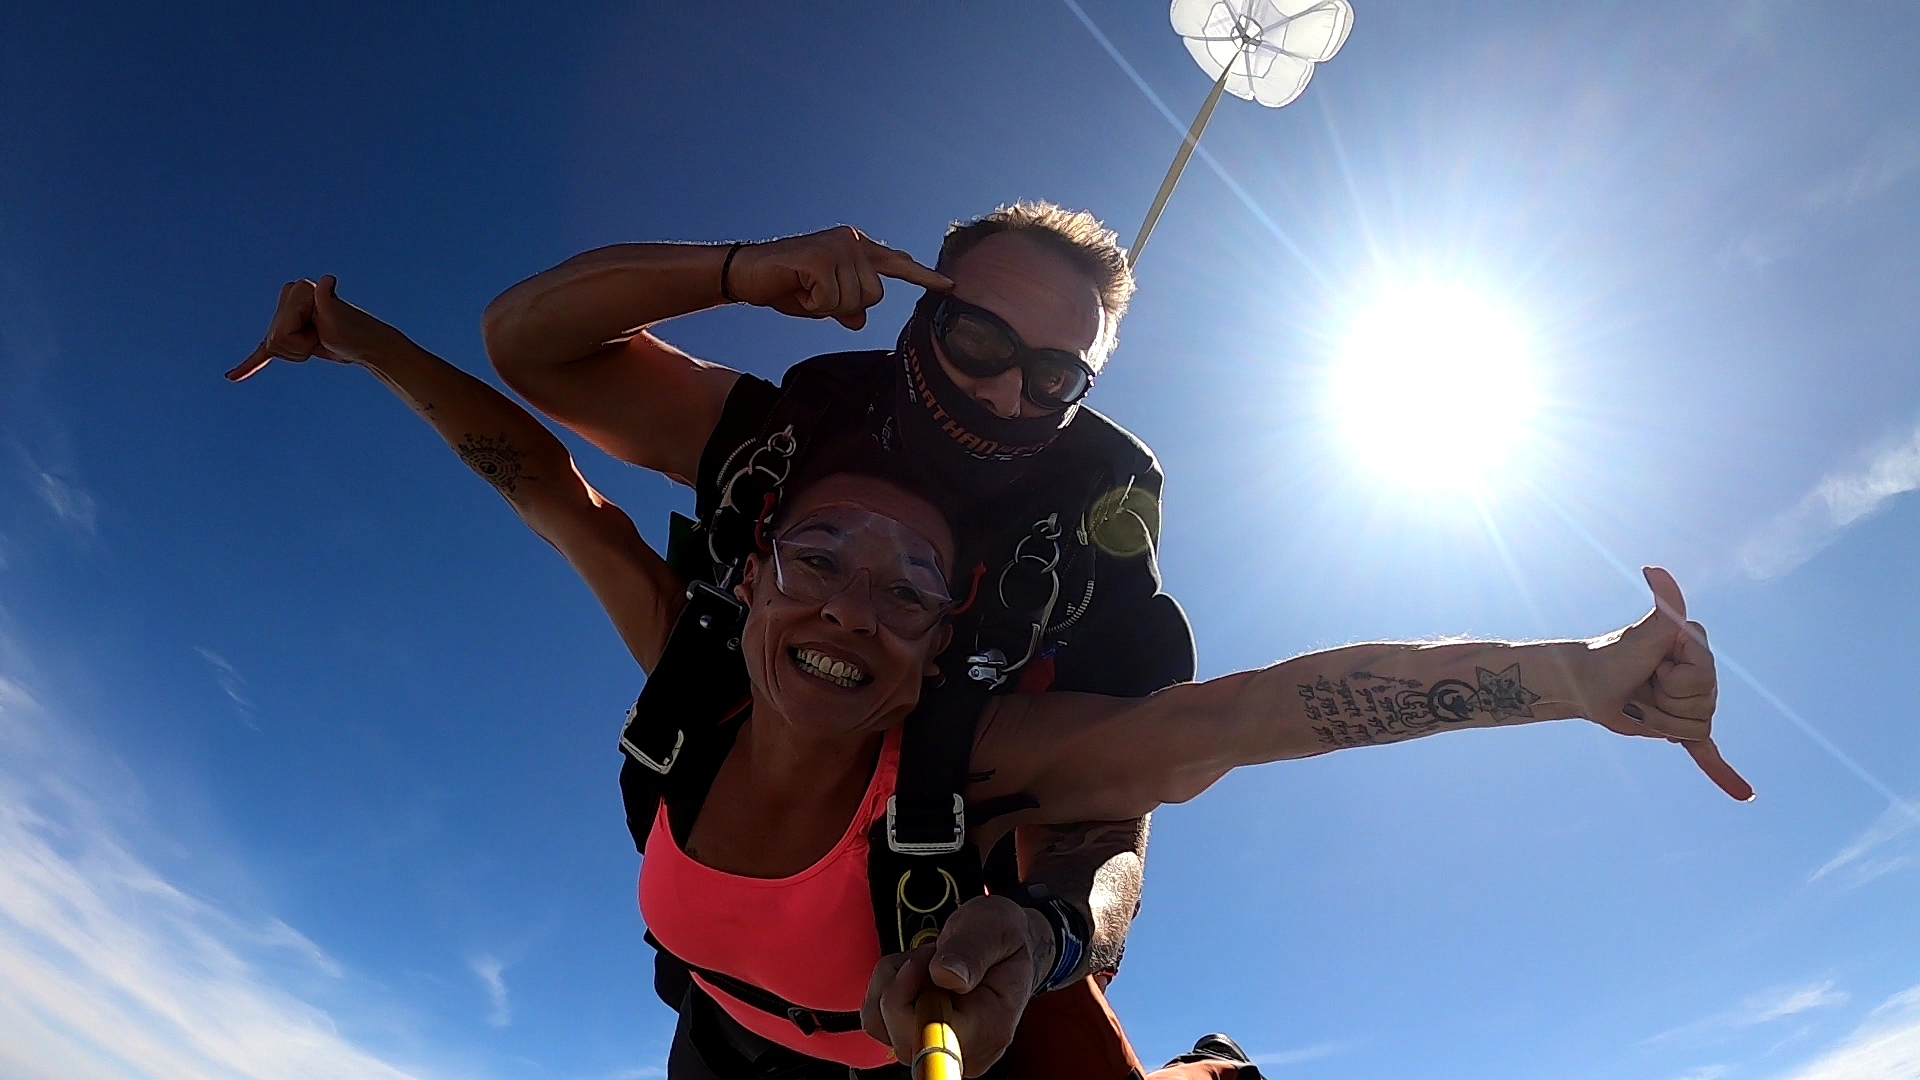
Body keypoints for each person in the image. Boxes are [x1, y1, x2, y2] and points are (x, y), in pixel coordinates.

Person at [232, 278, 1751, 1079]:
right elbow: (546, 485)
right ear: (749, 575)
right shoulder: (690, 672)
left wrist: (1574, 677)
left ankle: (1210, 1070)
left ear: (940, 635)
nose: (852, 607)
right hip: (714, 1047)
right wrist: (361, 338)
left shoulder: (971, 753)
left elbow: (1241, 716)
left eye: (909, 590)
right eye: (818, 555)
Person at [474, 207, 1202, 1068]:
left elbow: (1115, 812)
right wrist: (741, 271)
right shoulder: (791, 437)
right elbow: (530, 345)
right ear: (924, 310)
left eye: (1055, 377)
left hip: (939, 978)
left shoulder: (1084, 555)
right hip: (730, 987)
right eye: (979, 339)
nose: (1006, 395)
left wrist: (1052, 932)